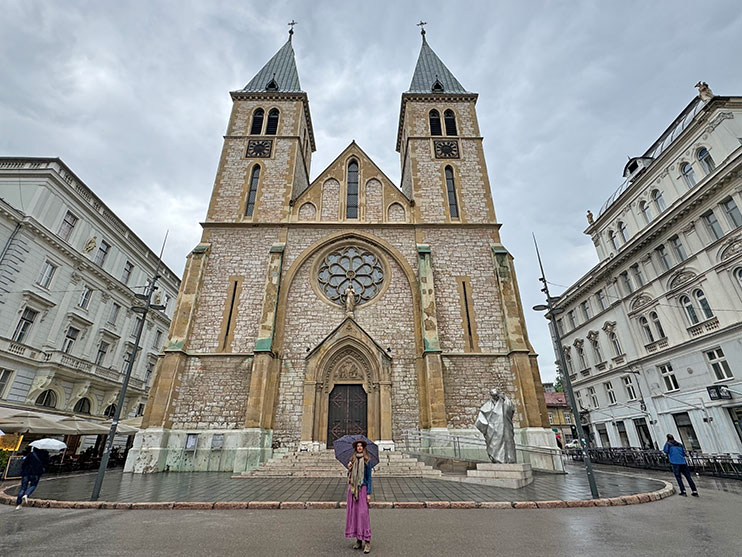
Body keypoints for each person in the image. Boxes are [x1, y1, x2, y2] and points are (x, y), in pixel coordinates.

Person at [346, 440, 372, 553]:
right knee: (355, 514)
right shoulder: (352, 460)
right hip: (353, 489)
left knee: (363, 514)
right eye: (358, 446)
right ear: (355, 448)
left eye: (361, 446)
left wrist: (369, 493)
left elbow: (369, 478)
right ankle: (358, 540)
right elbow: (349, 476)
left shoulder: (367, 461)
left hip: (362, 488)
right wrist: (349, 468)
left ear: (364, 448)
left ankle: (367, 541)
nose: (359, 447)